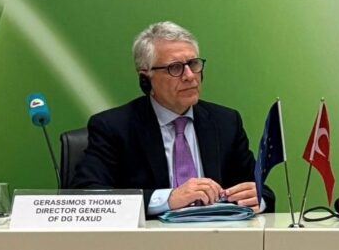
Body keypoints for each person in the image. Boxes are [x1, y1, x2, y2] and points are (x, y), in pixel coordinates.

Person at [71, 21, 273, 215]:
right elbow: (88, 197)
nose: (190, 76)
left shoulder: (225, 122)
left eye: (193, 64)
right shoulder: (114, 127)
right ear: (145, 79)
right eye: (175, 68)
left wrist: (257, 198)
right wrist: (167, 199)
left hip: (216, 234)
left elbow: (260, 190)